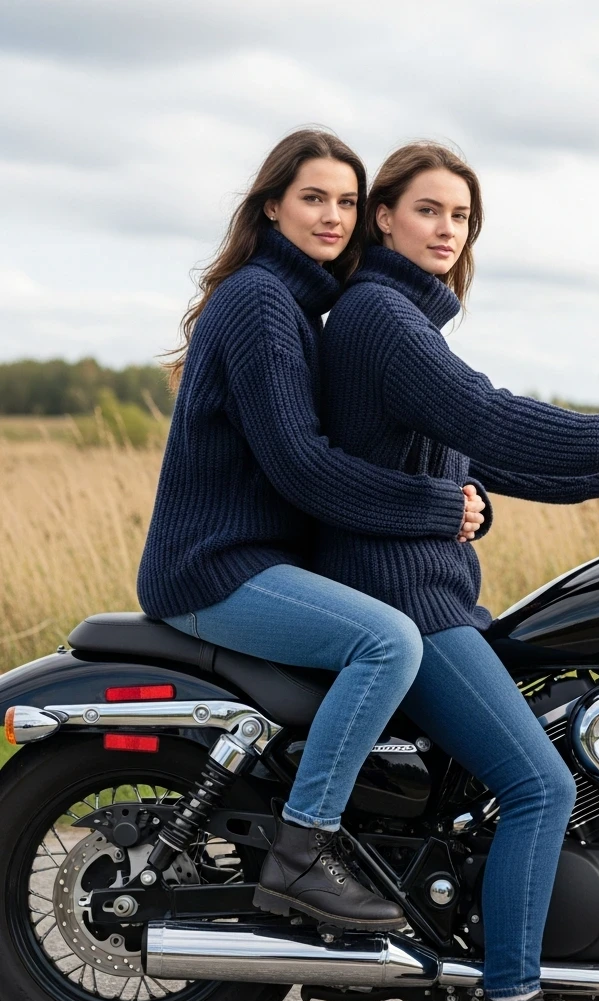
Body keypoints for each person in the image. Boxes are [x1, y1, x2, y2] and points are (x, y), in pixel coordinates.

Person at [315, 141, 599, 1001]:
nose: (447, 230)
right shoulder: (381, 315)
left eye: (461, 217)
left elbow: (478, 450)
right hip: (405, 600)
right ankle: (511, 1000)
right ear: (383, 217)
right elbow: (490, 418)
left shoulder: (399, 320)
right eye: (428, 210)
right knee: (543, 786)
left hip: (423, 590)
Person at [136, 129, 489, 934]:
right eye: (313, 198)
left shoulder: (295, 304)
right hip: (213, 570)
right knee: (387, 643)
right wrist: (436, 509)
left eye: (344, 202)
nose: (332, 216)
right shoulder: (263, 302)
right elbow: (304, 466)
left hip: (252, 561)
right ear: (272, 206)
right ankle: (302, 851)